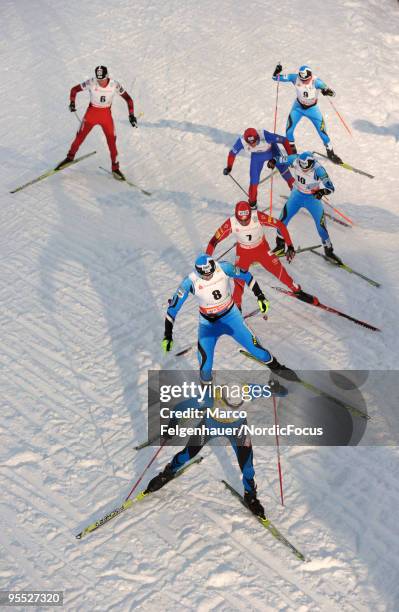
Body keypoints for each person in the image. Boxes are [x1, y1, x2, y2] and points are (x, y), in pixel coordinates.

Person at [162, 254, 295, 383]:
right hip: (208, 325)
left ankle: (279, 369)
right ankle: (207, 393)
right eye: (204, 275)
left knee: (259, 352)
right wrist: (168, 335)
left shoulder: (224, 268)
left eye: (210, 273)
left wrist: (260, 296)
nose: (208, 277)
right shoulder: (189, 282)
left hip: (231, 318)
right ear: (198, 272)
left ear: (214, 267)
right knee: (205, 366)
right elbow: (172, 309)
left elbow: (247, 276)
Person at [145, 390, 266, 517]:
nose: (235, 410)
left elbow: (266, 390)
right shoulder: (211, 397)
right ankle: (167, 473)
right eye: (232, 406)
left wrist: (275, 388)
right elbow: (180, 407)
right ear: (224, 399)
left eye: (238, 406)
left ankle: (250, 496)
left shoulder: (246, 390)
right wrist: (172, 425)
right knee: (187, 454)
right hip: (210, 426)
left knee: (247, 467)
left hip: (237, 429)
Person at [205, 201, 315, 308]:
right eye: (241, 221)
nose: (244, 223)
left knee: (279, 270)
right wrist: (206, 259)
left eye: (246, 220)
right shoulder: (231, 223)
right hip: (243, 253)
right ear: (236, 216)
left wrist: (290, 246)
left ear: (249, 215)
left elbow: (280, 225)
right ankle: (237, 307)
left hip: (261, 249)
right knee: (239, 279)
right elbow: (214, 240)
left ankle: (297, 290)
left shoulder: (257, 216)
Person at [56, 66, 138, 180]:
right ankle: (69, 158)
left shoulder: (114, 85)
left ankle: (115, 168)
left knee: (112, 142)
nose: (100, 82)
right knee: (79, 137)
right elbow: (74, 90)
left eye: (102, 79)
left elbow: (128, 99)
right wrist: (72, 103)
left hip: (106, 117)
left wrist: (131, 115)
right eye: (98, 79)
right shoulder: (91, 82)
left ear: (107, 76)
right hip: (91, 115)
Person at [269, 151, 343, 264]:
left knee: (321, 227)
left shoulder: (319, 169)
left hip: (312, 199)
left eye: (306, 167)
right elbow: (279, 158)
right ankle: (280, 246)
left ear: (312, 164)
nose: (303, 168)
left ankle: (328, 250)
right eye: (301, 166)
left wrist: (322, 192)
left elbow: (331, 187)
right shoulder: (296, 159)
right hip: (296, 196)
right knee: (281, 221)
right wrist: (273, 161)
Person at [272, 63, 342, 164]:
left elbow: (333, 93)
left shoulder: (316, 82)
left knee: (323, 132)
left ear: (310, 76)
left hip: (312, 110)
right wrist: (277, 72)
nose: (305, 82)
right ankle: (293, 155)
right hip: (298, 108)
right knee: (288, 131)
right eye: (303, 80)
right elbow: (275, 78)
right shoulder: (295, 78)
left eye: (306, 80)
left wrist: (327, 92)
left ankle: (331, 153)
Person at [223, 127, 295, 209]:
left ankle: (297, 193)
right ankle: (252, 204)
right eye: (250, 143)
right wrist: (229, 167)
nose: (253, 145)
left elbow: (284, 140)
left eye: (254, 142)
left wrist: (291, 158)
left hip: (272, 152)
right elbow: (232, 153)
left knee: (285, 172)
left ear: (257, 137)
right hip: (257, 157)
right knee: (254, 181)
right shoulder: (241, 141)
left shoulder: (265, 135)